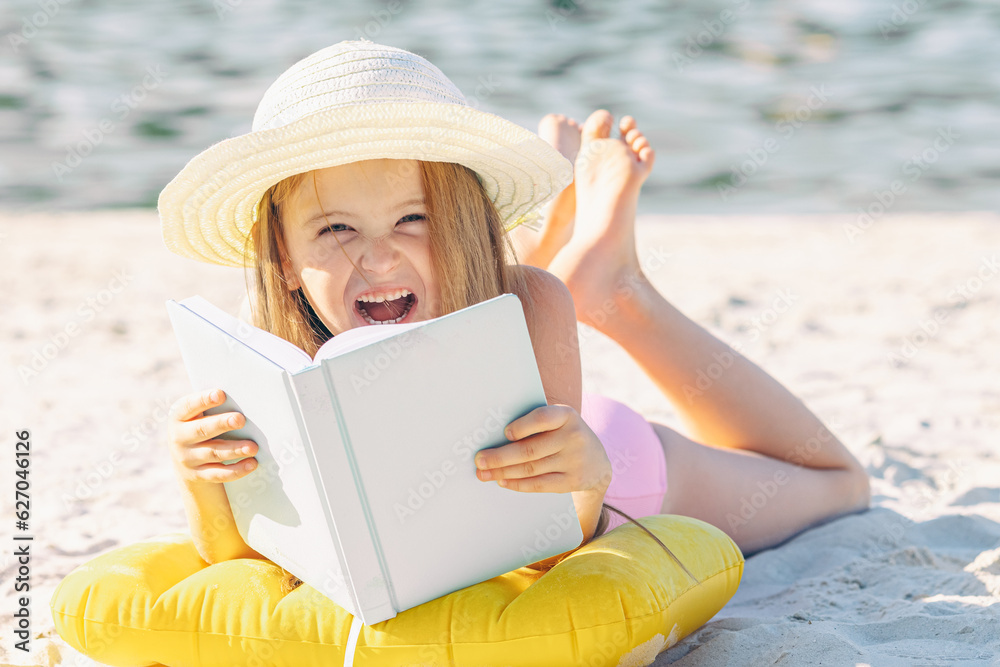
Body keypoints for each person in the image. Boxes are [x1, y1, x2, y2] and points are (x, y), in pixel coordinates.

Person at [161, 41, 870, 571]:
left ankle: (620, 293)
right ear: (285, 259)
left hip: (613, 467)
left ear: (466, 224)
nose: (373, 259)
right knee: (468, 286)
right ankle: (551, 231)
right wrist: (200, 479)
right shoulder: (270, 358)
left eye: (416, 218)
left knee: (839, 486)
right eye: (336, 228)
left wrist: (590, 478)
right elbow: (239, 561)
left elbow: (555, 548)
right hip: (517, 375)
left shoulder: (530, 310)